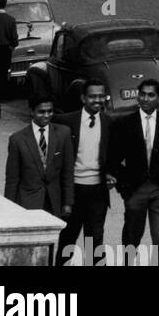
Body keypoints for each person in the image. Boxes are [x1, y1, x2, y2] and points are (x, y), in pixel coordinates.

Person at [106, 78, 159, 265]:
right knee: (132, 237)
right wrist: (124, 185)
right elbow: (113, 157)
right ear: (138, 96)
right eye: (142, 94)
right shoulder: (124, 123)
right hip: (135, 189)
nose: (146, 98)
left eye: (151, 95)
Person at [54, 80, 114, 266]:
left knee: (95, 240)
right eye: (92, 96)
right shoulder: (67, 121)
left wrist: (112, 173)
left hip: (98, 192)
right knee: (68, 238)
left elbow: (114, 154)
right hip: (73, 191)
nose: (97, 100)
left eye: (100, 96)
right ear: (83, 98)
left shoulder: (110, 123)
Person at [5, 99, 75, 219]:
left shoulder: (63, 133)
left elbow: (67, 171)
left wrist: (68, 202)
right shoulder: (17, 139)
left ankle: (89, 240)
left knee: (90, 235)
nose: (46, 115)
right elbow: (12, 178)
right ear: (32, 112)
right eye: (42, 112)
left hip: (54, 202)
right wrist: (9, 207)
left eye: (50, 111)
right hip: (28, 202)